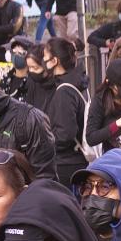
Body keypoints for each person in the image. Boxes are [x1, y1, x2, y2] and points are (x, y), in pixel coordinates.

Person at [35, 38, 89, 187]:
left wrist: (43, 144)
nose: (43, 61)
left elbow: (65, 134)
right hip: (77, 160)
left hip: (66, 165)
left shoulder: (64, 91)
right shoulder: (78, 81)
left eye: (45, 57)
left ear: (55, 61)